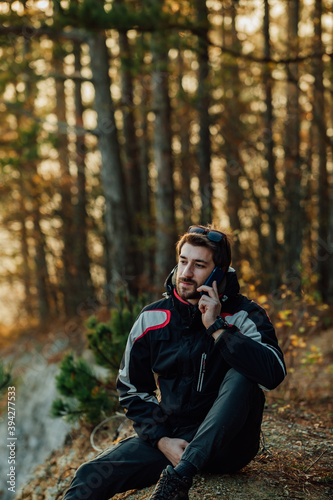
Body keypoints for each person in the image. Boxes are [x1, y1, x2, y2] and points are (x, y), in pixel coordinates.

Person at [63, 225, 286, 500]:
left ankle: (178, 480)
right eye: (183, 261)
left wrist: (217, 328)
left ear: (218, 272)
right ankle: (180, 462)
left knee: (243, 375)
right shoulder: (152, 318)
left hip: (229, 444)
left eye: (199, 265)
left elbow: (273, 372)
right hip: (174, 439)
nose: (186, 273)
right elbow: (131, 388)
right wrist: (161, 440)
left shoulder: (244, 315)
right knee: (89, 475)